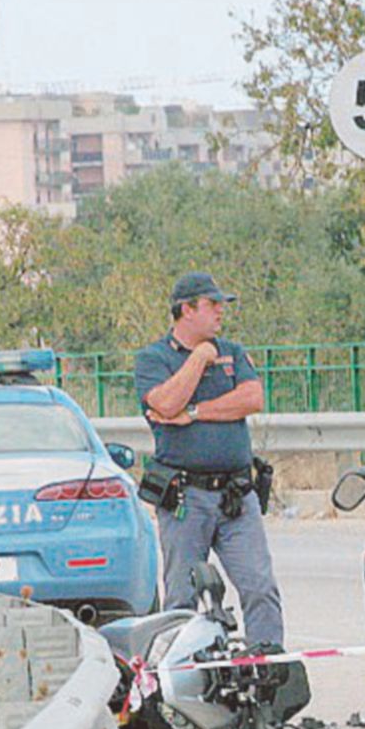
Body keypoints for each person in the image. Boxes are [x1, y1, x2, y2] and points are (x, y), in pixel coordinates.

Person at [134, 272, 285, 648]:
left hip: (236, 495)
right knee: (182, 597)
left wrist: (196, 411)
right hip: (186, 497)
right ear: (186, 310)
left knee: (260, 587)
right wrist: (199, 358)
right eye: (212, 304)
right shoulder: (155, 358)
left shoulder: (232, 352)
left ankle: (268, 667)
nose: (221, 312)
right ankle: (181, 675)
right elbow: (166, 403)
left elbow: (252, 398)